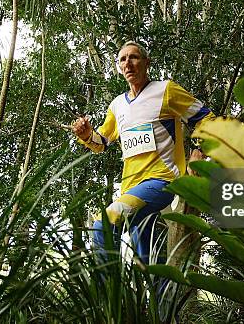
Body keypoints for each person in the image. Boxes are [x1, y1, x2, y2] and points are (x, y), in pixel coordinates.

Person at [72, 41, 214, 264]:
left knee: (103, 226)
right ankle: (163, 298)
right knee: (148, 263)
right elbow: (102, 142)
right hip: (131, 188)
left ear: (147, 63)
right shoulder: (117, 105)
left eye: (134, 57)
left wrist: (199, 150)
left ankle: (107, 297)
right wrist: (86, 135)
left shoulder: (165, 90)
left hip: (162, 181)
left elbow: (206, 117)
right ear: (119, 68)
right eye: (122, 59)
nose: (128, 63)